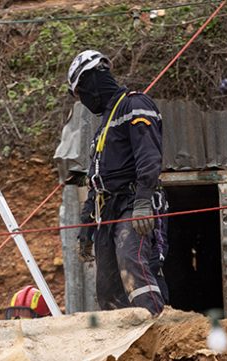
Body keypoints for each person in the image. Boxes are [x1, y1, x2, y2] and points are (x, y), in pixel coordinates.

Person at [68, 49, 166, 316]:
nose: (83, 99)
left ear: (93, 79)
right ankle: (126, 348)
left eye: (81, 91)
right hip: (107, 211)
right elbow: (96, 181)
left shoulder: (135, 105)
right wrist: (86, 228)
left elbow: (149, 156)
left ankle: (158, 329)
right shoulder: (103, 126)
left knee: (131, 263)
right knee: (107, 288)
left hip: (134, 203)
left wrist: (144, 200)